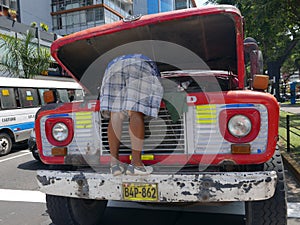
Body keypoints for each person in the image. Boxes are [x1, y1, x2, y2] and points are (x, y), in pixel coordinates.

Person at [100, 54, 163, 176]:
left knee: (116, 114)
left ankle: (114, 165)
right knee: (135, 111)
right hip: (140, 64)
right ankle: (136, 164)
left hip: (113, 65)